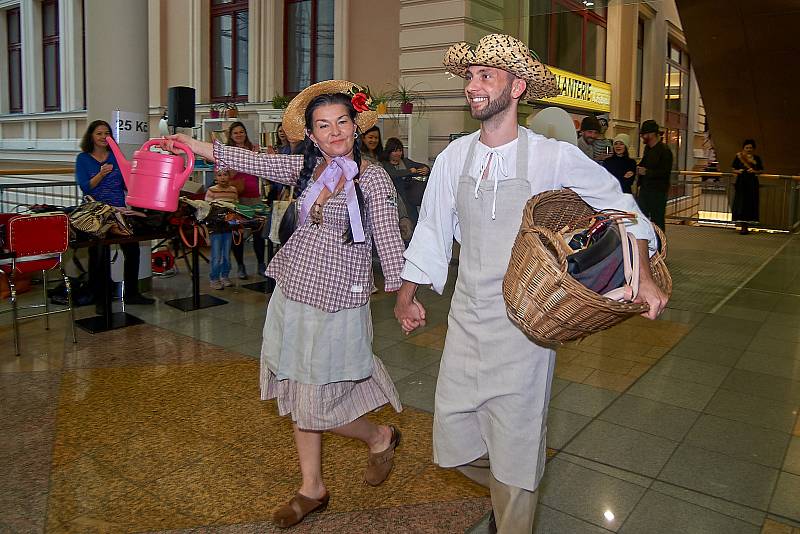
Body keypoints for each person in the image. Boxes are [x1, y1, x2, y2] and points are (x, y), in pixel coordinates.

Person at [393, 33, 667, 533]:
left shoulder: (551, 157)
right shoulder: (455, 156)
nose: (472, 87)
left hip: (528, 326)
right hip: (467, 318)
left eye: (485, 76)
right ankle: (507, 495)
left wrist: (643, 277)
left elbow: (621, 207)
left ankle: (513, 515)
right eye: (470, 77)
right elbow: (432, 226)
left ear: (517, 87)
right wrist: (407, 296)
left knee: (516, 446)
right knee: (452, 444)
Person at [160, 80, 405, 529]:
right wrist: (192, 143)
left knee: (317, 403)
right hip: (294, 292)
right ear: (311, 134)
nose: (335, 133)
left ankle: (379, 435)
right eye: (323, 125)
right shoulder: (306, 169)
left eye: (342, 122)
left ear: (356, 125)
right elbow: (249, 160)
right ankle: (312, 487)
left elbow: (388, 236)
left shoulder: (371, 177)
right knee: (298, 389)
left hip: (338, 299)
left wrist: (404, 293)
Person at [75, 120, 155, 310]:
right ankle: (100, 298)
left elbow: (128, 185)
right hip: (96, 214)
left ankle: (132, 293)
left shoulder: (117, 158)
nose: (103, 137)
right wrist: (101, 174)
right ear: (91, 137)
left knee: (132, 250)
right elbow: (85, 187)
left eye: (107, 133)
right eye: (99, 133)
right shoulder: (83, 158)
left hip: (119, 211)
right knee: (99, 254)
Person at [225, 121, 266, 279]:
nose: (239, 135)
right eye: (235, 133)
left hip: (254, 196)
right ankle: (241, 266)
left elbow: (261, 169)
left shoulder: (253, 149)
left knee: (258, 232)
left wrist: (255, 157)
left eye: (241, 132)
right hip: (237, 198)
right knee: (238, 234)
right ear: (231, 135)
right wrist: (239, 159)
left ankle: (261, 264)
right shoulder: (229, 152)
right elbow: (229, 176)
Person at [380, 137, 430, 223]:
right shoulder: (385, 164)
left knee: (413, 221)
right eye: (394, 151)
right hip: (393, 199)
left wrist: (426, 169)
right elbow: (394, 174)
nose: (398, 153)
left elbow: (422, 166)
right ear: (389, 152)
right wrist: (409, 171)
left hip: (409, 199)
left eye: (400, 150)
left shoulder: (406, 162)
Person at [636, 119, 673, 232]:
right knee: (642, 218)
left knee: (657, 220)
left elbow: (665, 172)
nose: (642, 137)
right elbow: (643, 163)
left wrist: (646, 172)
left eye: (644, 134)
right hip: (645, 190)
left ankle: (660, 246)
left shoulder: (665, 151)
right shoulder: (648, 149)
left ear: (652, 134)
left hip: (658, 192)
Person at [205, 169, 239, 289]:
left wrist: (236, 226)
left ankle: (225, 276)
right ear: (216, 177)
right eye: (219, 175)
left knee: (226, 254)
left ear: (229, 176)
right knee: (216, 255)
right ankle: (214, 278)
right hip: (216, 227)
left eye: (225, 175)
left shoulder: (233, 191)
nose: (223, 177)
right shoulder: (211, 191)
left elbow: (235, 209)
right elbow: (206, 209)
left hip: (228, 227)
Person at [731, 138, 763, 234]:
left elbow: (761, 170)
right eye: (747, 147)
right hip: (741, 183)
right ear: (743, 148)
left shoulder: (757, 158)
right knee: (741, 204)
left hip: (752, 183)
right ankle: (743, 227)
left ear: (753, 149)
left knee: (750, 203)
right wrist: (738, 171)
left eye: (750, 147)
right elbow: (733, 169)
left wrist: (754, 171)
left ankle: (747, 226)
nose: (748, 149)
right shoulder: (739, 157)